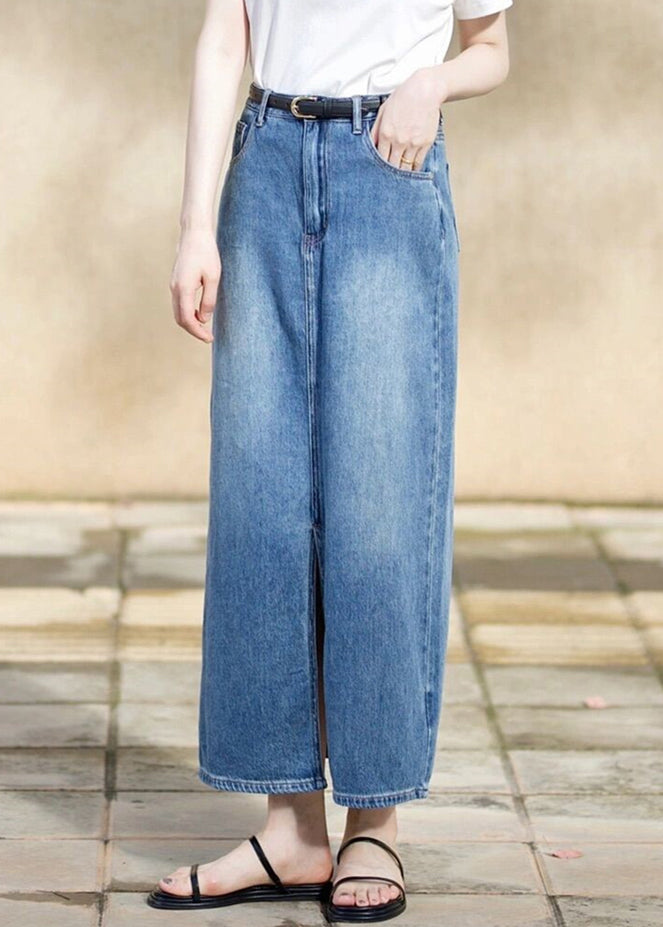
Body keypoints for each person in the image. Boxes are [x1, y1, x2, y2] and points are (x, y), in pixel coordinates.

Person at [148, 0, 512, 922]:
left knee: (378, 504)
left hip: (386, 168)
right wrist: (195, 225)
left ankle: (373, 822)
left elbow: (491, 50)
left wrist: (430, 84)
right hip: (264, 162)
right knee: (260, 503)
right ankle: (291, 832)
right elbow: (224, 37)